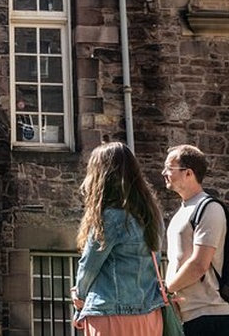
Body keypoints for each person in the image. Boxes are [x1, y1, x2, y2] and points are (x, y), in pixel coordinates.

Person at [71, 142, 164, 335]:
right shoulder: (151, 216)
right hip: (150, 314)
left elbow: (89, 265)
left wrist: (79, 296)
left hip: (112, 313)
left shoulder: (110, 217)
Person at [162, 144, 229, 336]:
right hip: (185, 317)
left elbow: (199, 264)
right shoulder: (181, 212)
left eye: (169, 168)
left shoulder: (210, 208)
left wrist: (166, 291)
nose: (164, 172)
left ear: (188, 173)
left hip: (209, 316)